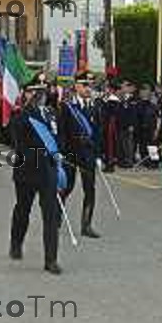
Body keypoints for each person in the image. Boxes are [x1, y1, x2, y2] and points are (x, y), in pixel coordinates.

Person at [9, 75, 65, 274]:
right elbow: (17, 141)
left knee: (50, 215)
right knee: (23, 210)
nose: (38, 95)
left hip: (47, 172)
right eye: (34, 91)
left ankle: (51, 260)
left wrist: (59, 156)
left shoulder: (51, 114)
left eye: (41, 91)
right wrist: (26, 108)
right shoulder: (20, 115)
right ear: (25, 93)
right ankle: (16, 243)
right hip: (26, 172)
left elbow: (59, 139)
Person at [58, 71, 102, 239]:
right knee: (67, 187)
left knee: (90, 189)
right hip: (71, 153)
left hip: (88, 154)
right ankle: (57, 217)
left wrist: (99, 155)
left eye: (90, 85)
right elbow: (62, 132)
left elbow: (99, 132)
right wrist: (61, 152)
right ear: (76, 86)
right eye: (85, 85)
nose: (88, 88)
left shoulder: (95, 106)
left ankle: (86, 224)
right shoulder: (67, 107)